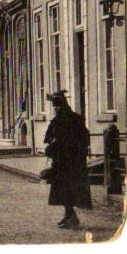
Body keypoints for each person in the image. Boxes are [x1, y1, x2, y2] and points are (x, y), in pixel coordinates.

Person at [43, 90, 92, 229]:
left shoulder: (74, 119)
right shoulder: (57, 121)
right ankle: (68, 216)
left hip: (73, 163)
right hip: (61, 163)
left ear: (64, 105)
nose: (56, 108)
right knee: (62, 191)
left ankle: (72, 217)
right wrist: (52, 146)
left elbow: (83, 138)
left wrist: (58, 145)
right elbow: (49, 138)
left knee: (69, 190)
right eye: (54, 106)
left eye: (58, 105)